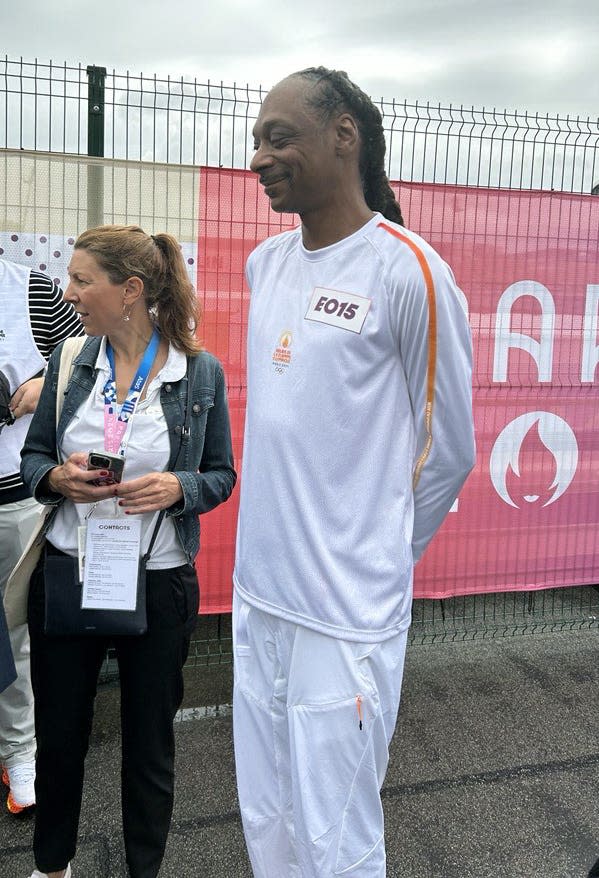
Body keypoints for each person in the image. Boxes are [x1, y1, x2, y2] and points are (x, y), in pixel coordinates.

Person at [232, 66, 476, 877]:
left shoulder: (408, 270)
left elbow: (448, 453)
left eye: (278, 136)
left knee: (335, 835)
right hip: (260, 595)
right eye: (256, 139)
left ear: (345, 136)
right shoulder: (265, 264)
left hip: (345, 614)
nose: (259, 156)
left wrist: (378, 558)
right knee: (267, 815)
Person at [20, 225, 236, 878]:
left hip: (158, 580)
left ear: (130, 290)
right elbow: (35, 455)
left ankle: (145, 868)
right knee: (60, 740)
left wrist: (180, 486)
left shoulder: (197, 373)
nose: (71, 292)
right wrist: (56, 477)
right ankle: (51, 866)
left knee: (149, 746)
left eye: (84, 280)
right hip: (70, 574)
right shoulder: (67, 364)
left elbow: (222, 474)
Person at [0, 259, 84, 815]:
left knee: (13, 634)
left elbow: (90, 359)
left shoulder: (29, 287)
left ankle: (20, 754)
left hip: (16, 498)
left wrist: (39, 381)